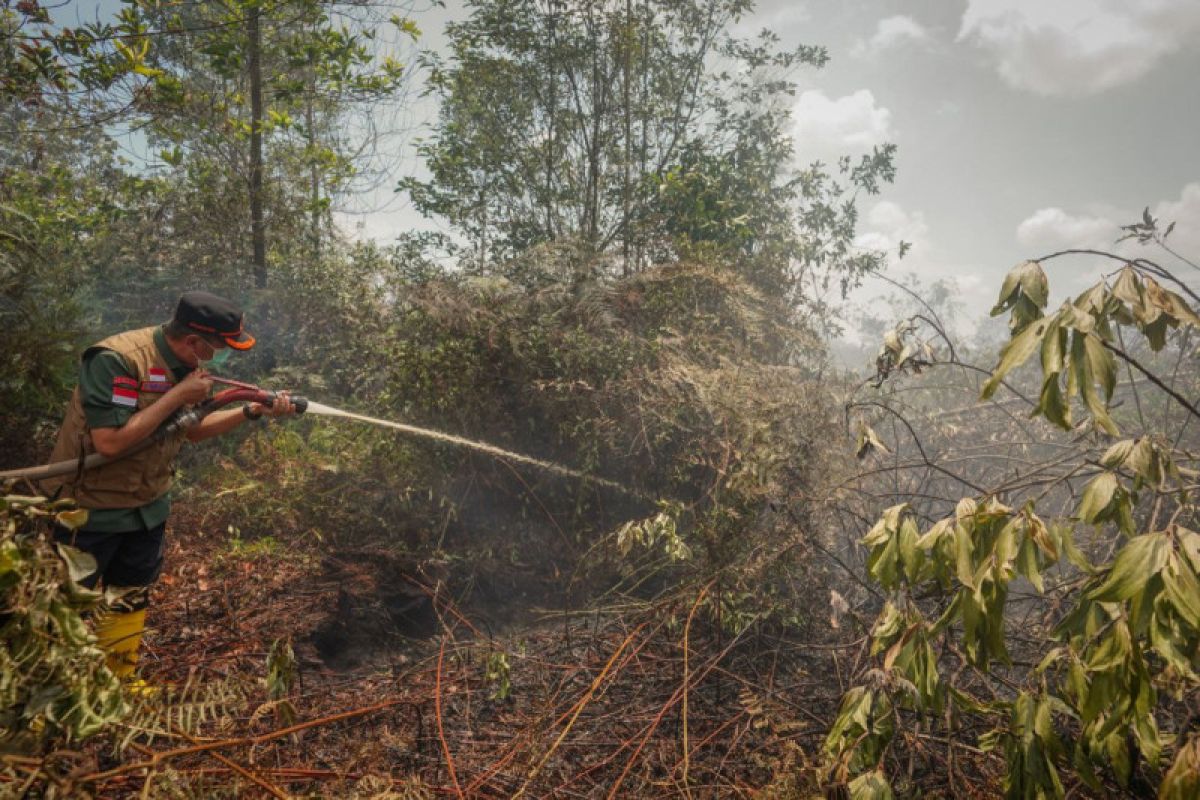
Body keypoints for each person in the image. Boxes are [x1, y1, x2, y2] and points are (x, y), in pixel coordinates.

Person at [42, 291, 296, 682]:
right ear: (194, 341)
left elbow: (188, 431)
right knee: (66, 609)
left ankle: (118, 683)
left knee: (129, 598)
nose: (222, 358)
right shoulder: (118, 361)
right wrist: (179, 395)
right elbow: (109, 442)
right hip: (89, 511)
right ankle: (50, 696)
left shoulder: (187, 366)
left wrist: (250, 410)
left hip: (146, 508)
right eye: (220, 349)